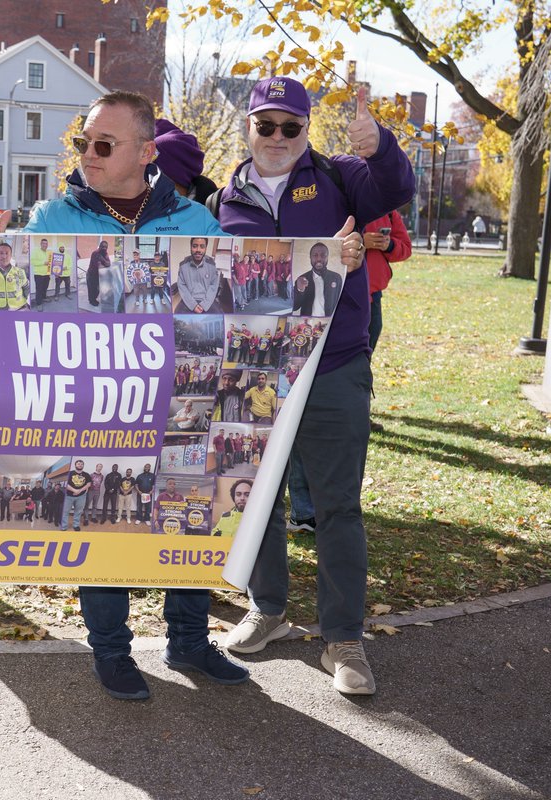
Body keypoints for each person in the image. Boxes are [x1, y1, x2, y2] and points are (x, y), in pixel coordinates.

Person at [16, 91, 245, 701]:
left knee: (186, 514)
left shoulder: (197, 226)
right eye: (82, 143)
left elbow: (239, 306)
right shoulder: (51, 220)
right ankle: (112, 652)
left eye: (103, 145)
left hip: (178, 404)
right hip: (93, 405)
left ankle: (191, 643)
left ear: (147, 153)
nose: (86, 154)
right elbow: (16, 304)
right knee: (98, 518)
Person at [212, 75, 414, 697]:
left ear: (306, 129)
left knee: (336, 504)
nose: (277, 137)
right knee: (260, 496)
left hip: (333, 366)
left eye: (290, 126)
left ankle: (343, 637)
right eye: (265, 124)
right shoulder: (226, 195)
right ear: (248, 126)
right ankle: (268, 608)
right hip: (256, 372)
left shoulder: (342, 175)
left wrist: (379, 144)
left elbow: (397, 187)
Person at [291, 242, 343, 316]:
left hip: (330, 323)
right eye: (315, 255)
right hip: (308, 324)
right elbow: (294, 307)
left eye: (323, 255)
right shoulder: (301, 279)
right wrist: (300, 290)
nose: (319, 259)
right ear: (310, 258)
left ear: (327, 257)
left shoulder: (336, 278)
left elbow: (340, 304)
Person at [175, 237, 221, 313]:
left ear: (206, 248)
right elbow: (181, 285)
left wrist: (204, 304)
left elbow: (214, 285)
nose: (198, 250)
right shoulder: (183, 265)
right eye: (195, 246)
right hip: (189, 299)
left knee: (219, 314)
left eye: (202, 246)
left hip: (207, 300)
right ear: (190, 247)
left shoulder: (212, 265)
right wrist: (193, 305)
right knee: (177, 313)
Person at [0, 242, 29, 311]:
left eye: (7, 253)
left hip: (19, 308)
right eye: (1, 253)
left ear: (10, 256)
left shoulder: (20, 272)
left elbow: (26, 289)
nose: (4, 256)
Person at [60, 459, 91, 531]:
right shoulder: (70, 473)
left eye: (81, 464)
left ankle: (76, 525)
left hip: (81, 496)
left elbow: (88, 484)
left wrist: (79, 491)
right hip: (68, 496)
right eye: (78, 464)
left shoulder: (86, 475)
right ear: (75, 465)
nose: (80, 465)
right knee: (65, 511)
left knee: (78, 511)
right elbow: (65, 484)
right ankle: (64, 526)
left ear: (83, 466)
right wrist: (74, 490)